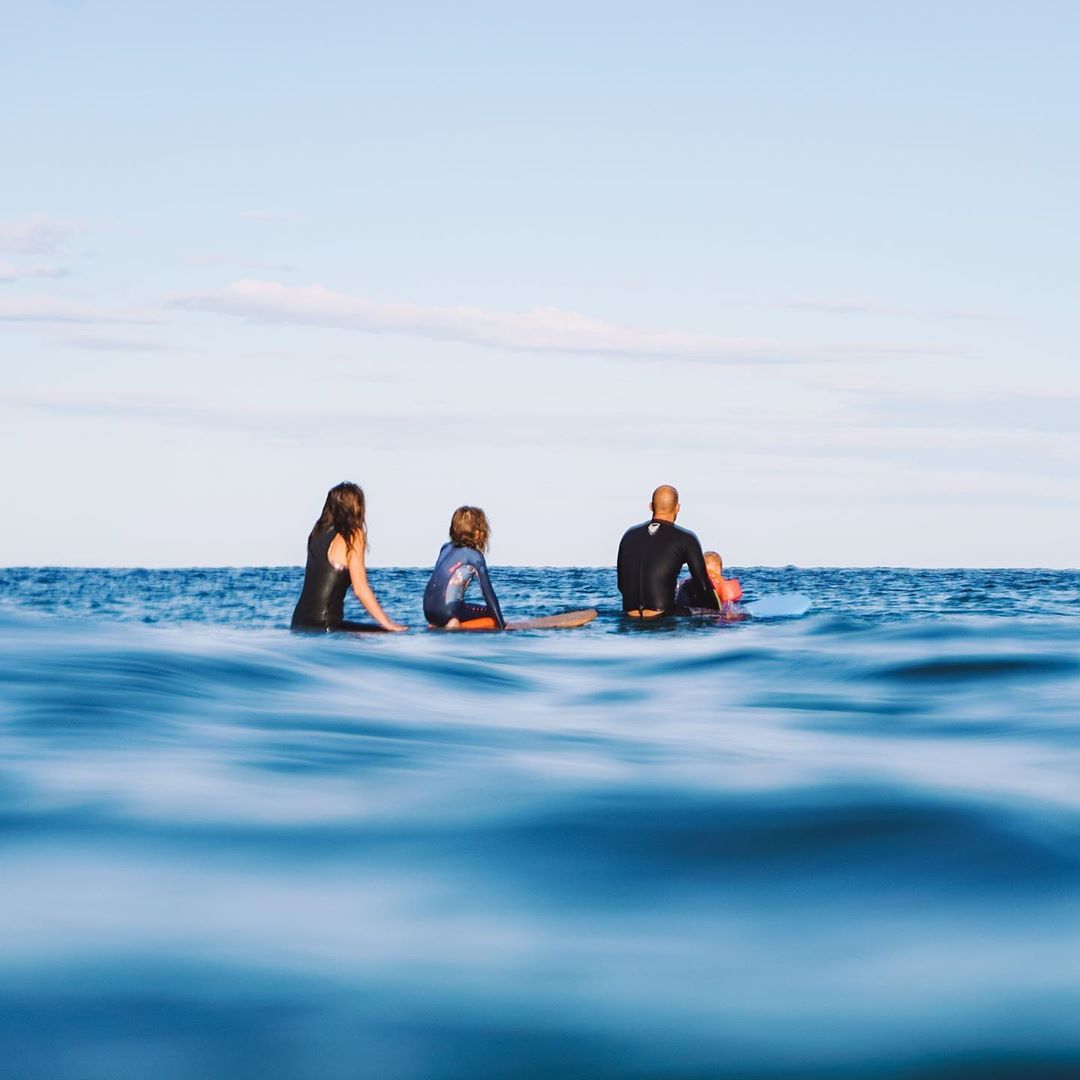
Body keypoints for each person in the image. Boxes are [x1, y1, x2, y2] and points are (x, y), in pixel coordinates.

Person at [291, 482, 407, 632]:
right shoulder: (353, 536)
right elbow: (360, 589)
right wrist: (388, 625)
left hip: (299, 623)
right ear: (357, 507)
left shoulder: (317, 534)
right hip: (326, 625)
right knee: (388, 634)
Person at [616, 485, 719, 617]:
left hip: (629, 617)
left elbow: (621, 585)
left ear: (651, 506)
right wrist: (718, 615)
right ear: (677, 508)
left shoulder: (628, 535)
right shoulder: (686, 538)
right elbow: (703, 586)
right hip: (664, 617)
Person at [423, 506, 506, 630]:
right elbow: (488, 595)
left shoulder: (445, 548)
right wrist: (501, 625)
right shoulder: (474, 556)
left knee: (461, 606)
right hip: (448, 611)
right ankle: (454, 623)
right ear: (477, 533)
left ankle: (436, 624)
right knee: (490, 614)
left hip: (428, 611)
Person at [675, 551, 743, 610]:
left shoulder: (686, 585)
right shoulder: (688, 586)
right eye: (709, 572)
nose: (712, 576)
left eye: (714, 572)